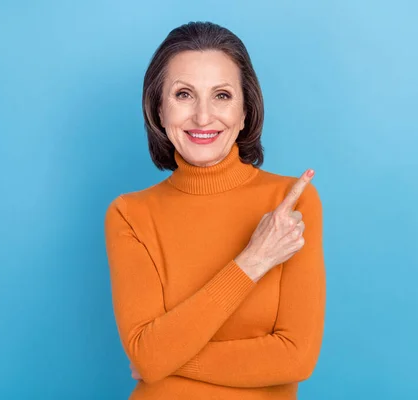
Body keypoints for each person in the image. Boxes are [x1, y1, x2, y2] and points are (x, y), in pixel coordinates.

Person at [104, 21, 326, 399]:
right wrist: (254, 260)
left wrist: (165, 357)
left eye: (221, 95)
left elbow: (296, 357)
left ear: (244, 113)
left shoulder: (291, 202)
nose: (203, 117)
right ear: (158, 110)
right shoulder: (129, 214)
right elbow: (148, 355)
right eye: (184, 94)